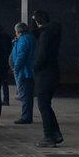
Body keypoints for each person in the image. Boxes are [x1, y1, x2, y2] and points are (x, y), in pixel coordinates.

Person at [32, 11, 63, 147]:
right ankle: (55, 133)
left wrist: (35, 67)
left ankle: (48, 136)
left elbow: (42, 55)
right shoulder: (53, 33)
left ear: (38, 22)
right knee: (46, 105)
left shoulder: (45, 35)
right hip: (52, 73)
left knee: (43, 106)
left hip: (44, 75)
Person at [11, 22, 35, 124]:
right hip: (27, 71)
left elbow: (21, 55)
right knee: (27, 95)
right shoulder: (26, 39)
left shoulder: (24, 40)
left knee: (25, 95)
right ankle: (27, 115)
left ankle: (26, 117)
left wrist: (16, 68)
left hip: (25, 72)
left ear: (18, 31)